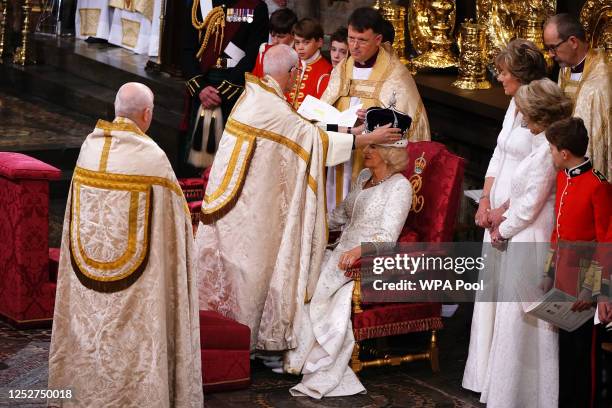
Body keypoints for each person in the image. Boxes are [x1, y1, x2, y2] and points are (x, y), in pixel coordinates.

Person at [195, 44, 403, 351]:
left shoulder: (256, 95)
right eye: (296, 74)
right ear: (292, 72)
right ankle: (242, 341)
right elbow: (311, 141)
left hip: (241, 203)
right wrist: (368, 138)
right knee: (248, 274)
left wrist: (352, 131)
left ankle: (226, 339)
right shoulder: (271, 107)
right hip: (252, 209)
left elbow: (302, 130)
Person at [47, 83, 203, 407]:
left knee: (90, 332)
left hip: (86, 276)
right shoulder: (152, 158)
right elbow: (176, 221)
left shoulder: (88, 149)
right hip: (138, 282)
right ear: (147, 114)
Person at [286, 132, 412, 399]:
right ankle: (292, 354)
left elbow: (388, 238)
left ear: (390, 153)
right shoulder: (364, 178)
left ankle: (315, 362)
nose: (366, 150)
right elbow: (339, 215)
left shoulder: (400, 187)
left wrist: (359, 251)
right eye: (367, 145)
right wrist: (307, 223)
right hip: (339, 252)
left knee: (326, 295)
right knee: (303, 277)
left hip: (366, 260)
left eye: (374, 147)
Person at [479, 78, 573, 408]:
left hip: (531, 237)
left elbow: (531, 203)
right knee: (511, 320)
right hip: (519, 231)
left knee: (525, 320)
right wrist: (502, 214)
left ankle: (530, 397)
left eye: (525, 114)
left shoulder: (549, 151)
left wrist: (502, 230)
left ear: (540, 115)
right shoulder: (541, 143)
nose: (521, 119)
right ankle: (508, 393)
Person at [463, 39, 547, 394]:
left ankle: (510, 385)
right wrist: (484, 199)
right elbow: (499, 153)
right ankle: (484, 376)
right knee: (492, 296)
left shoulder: (541, 106)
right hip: (495, 213)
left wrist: (503, 211)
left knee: (512, 305)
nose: (499, 77)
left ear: (521, 74)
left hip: (519, 216)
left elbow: (537, 173)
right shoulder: (514, 105)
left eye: (503, 71)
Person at [322, 7, 430, 212]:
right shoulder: (342, 68)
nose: (354, 46)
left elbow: (405, 124)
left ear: (378, 39)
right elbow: (325, 106)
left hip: (372, 154)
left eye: (362, 40)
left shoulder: (396, 75)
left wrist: (373, 120)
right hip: (341, 150)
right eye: (351, 38)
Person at [544, 117, 612, 408]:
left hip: (586, 282)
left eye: (551, 149)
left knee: (585, 360)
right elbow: (557, 231)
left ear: (564, 153)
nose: (550, 154)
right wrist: (548, 271)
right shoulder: (563, 177)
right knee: (566, 355)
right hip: (562, 280)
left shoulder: (598, 186)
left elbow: (606, 243)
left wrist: (593, 289)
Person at [181, 0, 269, 171]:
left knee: (227, 161)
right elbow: (187, 50)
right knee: (191, 163)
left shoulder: (255, 6)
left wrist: (222, 92)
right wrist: (200, 88)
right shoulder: (198, 4)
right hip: (202, 83)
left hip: (233, 90)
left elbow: (253, 55)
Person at [543, 13, 611, 179]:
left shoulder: (601, 81)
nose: (551, 54)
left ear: (573, 42)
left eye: (553, 47)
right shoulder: (565, 68)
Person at [287, 18, 333, 108]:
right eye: (297, 42)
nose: (300, 47)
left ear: (319, 42)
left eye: (306, 42)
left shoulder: (327, 70)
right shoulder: (290, 65)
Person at [252, 8, 297, 78]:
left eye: (281, 37)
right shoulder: (264, 52)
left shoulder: (301, 55)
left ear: (293, 34)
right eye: (272, 36)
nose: (275, 41)